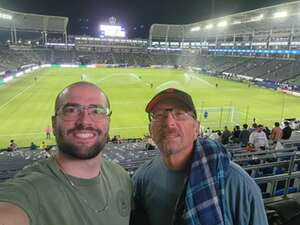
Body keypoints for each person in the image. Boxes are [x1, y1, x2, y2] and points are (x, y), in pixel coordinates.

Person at [0, 81, 132, 225]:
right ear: (54, 122)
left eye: (96, 111)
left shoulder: (121, 176)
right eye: (71, 110)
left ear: (108, 122)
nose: (85, 121)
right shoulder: (29, 190)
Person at [131, 88, 268, 225]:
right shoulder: (141, 178)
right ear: (150, 129)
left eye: (179, 113)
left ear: (196, 128)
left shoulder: (238, 184)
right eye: (159, 115)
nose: (169, 123)